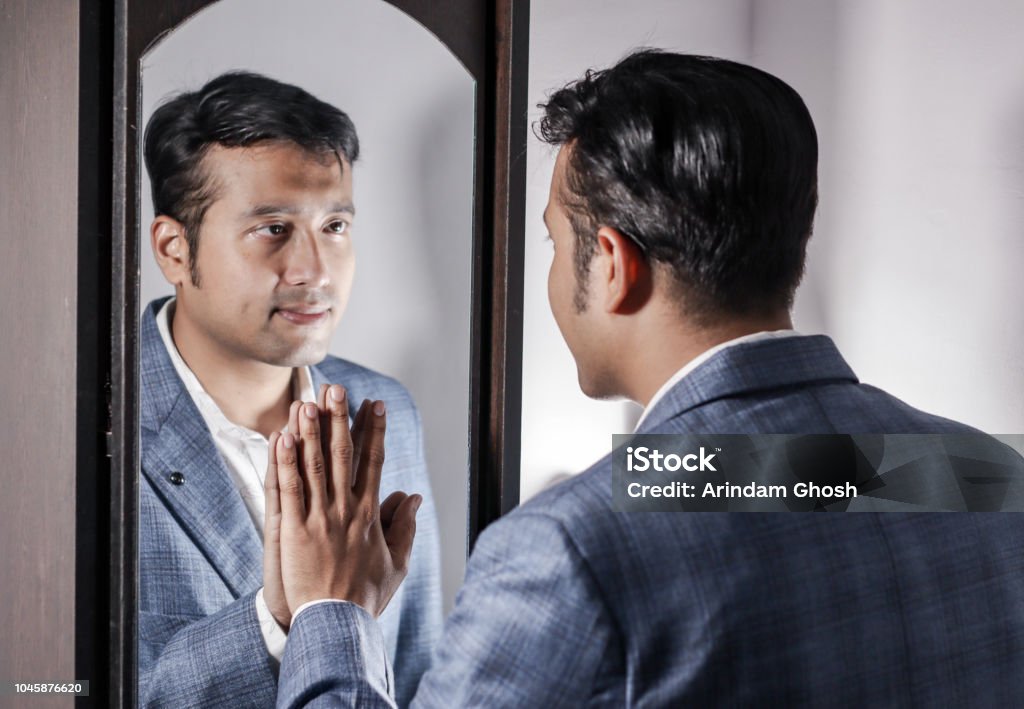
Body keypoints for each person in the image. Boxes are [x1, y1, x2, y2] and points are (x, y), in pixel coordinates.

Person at [269, 51, 1024, 706]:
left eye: (554, 242)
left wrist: (331, 613)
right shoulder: (977, 471)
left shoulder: (567, 551)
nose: (554, 270)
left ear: (615, 266)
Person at [137, 71, 442, 708]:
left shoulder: (388, 413)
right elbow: (50, 686)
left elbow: (415, 672)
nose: (315, 271)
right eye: (273, 228)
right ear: (173, 250)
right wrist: (281, 619)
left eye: (334, 226)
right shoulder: (78, 426)